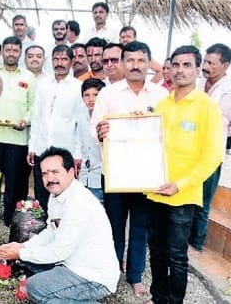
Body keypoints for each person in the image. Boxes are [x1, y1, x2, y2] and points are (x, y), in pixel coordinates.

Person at [145, 45, 223, 304]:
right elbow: (149, 142)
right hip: (155, 191)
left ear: (198, 70)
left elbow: (213, 156)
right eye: (175, 64)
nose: (179, 70)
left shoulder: (207, 107)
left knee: (177, 256)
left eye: (186, 65)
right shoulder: (162, 103)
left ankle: (174, 301)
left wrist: (181, 184)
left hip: (183, 195)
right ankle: (158, 298)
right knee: (155, 252)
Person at [0, 146, 120, 303]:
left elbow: (59, 252)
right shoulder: (57, 195)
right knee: (27, 257)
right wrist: (23, 248)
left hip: (93, 276)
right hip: (69, 262)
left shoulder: (79, 203)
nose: (49, 178)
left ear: (71, 172)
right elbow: (51, 230)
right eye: (45, 174)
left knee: (35, 287)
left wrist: (20, 253)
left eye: (55, 172)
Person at [92, 41, 169, 297]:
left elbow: (168, 132)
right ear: (123, 63)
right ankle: (111, 272)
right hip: (115, 175)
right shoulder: (108, 94)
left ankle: (135, 275)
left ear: (149, 63)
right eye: (130, 60)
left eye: (141, 60)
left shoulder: (161, 96)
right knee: (113, 227)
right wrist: (101, 131)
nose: (135, 65)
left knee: (140, 227)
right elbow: (95, 128)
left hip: (146, 176)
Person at [189, 43, 231, 253]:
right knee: (187, 199)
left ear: (225, 65)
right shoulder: (198, 84)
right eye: (205, 61)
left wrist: (216, 130)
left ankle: (196, 244)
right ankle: (183, 241)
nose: (206, 66)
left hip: (211, 156)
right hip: (189, 152)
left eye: (211, 63)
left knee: (203, 203)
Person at [0, 36, 35, 226]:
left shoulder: (28, 77)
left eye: (15, 50)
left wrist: (25, 120)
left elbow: (34, 105)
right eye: (8, 50)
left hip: (18, 138)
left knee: (14, 182)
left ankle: (11, 218)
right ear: (2, 52)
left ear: (20, 53)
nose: (11, 54)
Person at [28, 45, 83, 213]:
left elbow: (80, 124)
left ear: (72, 62)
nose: (60, 63)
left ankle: (61, 233)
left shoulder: (78, 87)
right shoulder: (43, 85)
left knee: (63, 195)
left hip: (65, 152)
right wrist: (32, 146)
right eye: (56, 59)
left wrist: (77, 154)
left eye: (64, 59)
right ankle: (43, 231)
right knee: (42, 193)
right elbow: (37, 117)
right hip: (42, 149)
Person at [79, 78, 106, 202]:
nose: (91, 99)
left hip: (101, 178)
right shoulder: (81, 118)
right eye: (86, 95)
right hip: (84, 178)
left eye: (95, 95)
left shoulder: (107, 119)